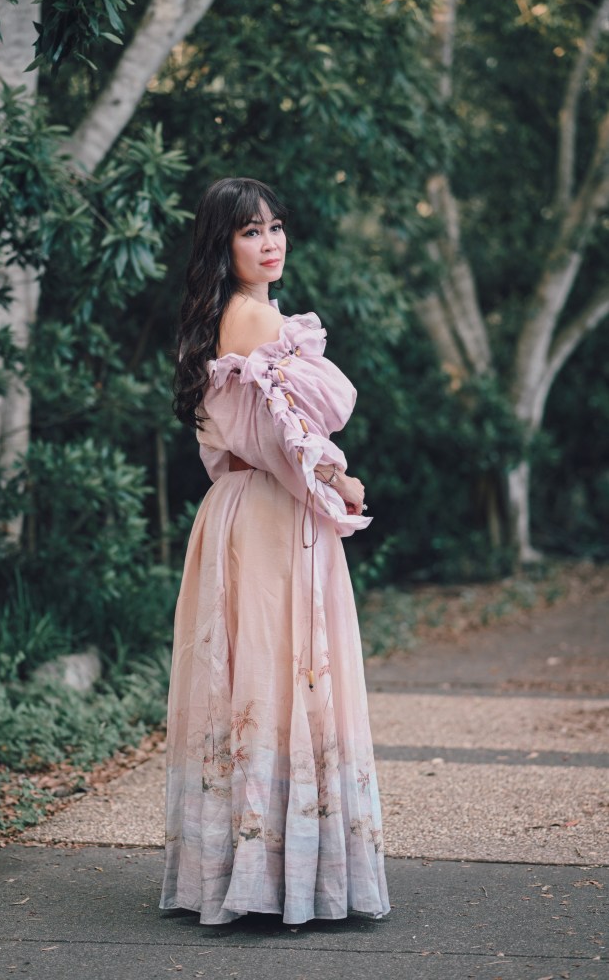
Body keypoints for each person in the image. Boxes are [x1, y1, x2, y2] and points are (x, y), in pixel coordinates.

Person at [159, 177, 390, 926]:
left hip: (237, 509)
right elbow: (285, 441)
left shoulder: (222, 317)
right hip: (268, 513)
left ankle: (241, 870)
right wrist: (340, 482)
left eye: (276, 226)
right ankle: (282, 876)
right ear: (222, 245)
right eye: (251, 231)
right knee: (284, 671)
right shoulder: (256, 319)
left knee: (249, 675)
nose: (270, 242)